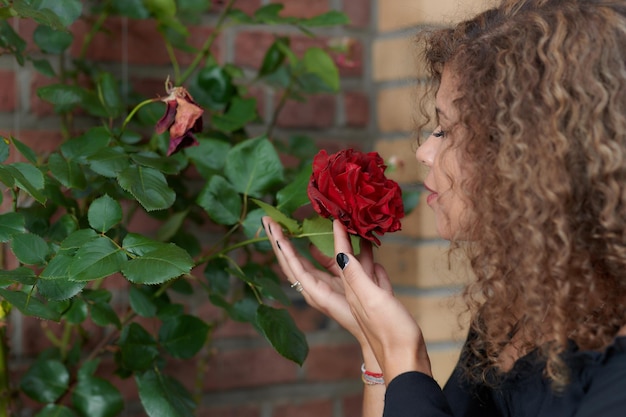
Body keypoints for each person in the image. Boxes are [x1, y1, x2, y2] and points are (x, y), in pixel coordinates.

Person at [261, 0, 626, 415]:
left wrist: (406, 359)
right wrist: (377, 347)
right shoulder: (514, 315)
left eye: (447, 130)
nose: (424, 151)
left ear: (532, 156)